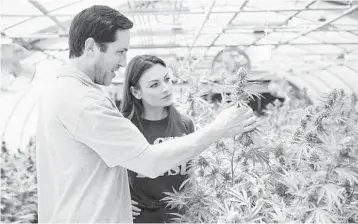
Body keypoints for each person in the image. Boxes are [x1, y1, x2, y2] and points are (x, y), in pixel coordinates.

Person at [36, 5, 259, 223]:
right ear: (91, 46)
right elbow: (149, 161)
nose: (123, 63)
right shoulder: (84, 102)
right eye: (120, 52)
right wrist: (217, 129)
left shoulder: (58, 90)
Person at [121, 55, 195, 223]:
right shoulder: (126, 128)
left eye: (167, 79)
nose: (166, 88)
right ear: (135, 92)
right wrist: (117, 200)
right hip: (140, 217)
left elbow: (191, 173)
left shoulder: (185, 124)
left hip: (180, 217)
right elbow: (106, 172)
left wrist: (195, 208)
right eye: (155, 85)